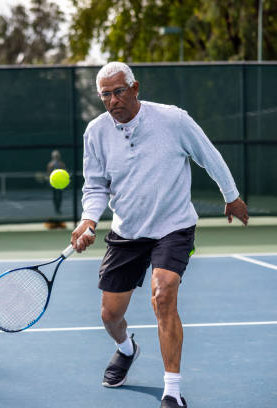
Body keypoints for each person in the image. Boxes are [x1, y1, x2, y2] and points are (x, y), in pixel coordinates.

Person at [70, 62, 249, 408]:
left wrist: (231, 196)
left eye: (119, 91)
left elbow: (209, 156)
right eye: (105, 94)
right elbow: (95, 185)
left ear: (135, 88)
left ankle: (172, 391)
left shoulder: (173, 120)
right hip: (128, 231)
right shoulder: (95, 132)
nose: (112, 100)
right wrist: (89, 220)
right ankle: (126, 348)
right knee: (110, 315)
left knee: (163, 294)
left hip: (173, 226)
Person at [46, 150, 66, 215]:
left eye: (57, 156)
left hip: (60, 183)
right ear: (53, 157)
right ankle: (56, 209)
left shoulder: (62, 164)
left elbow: (64, 172)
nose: (56, 157)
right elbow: (48, 173)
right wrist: (49, 179)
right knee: (55, 196)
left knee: (60, 196)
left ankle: (58, 209)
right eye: (55, 156)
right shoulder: (50, 165)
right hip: (53, 183)